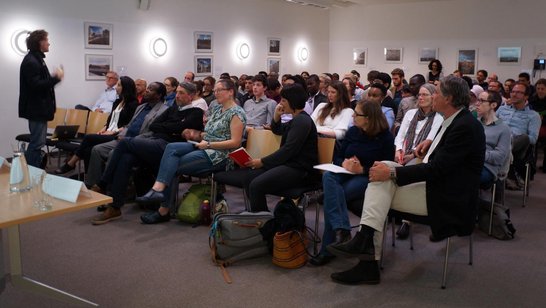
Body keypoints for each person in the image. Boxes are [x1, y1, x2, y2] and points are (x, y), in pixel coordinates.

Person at [327, 76, 485, 285]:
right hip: (438, 186)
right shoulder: (454, 120)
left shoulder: (464, 126)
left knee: (380, 185)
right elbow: (444, 159)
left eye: (436, 93)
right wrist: (430, 145)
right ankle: (364, 243)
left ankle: (367, 255)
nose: (430, 96)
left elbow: (438, 169)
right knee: (383, 167)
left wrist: (392, 174)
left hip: (447, 197)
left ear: (449, 98)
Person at [91, 82, 204, 225]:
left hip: (169, 148)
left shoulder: (196, 112)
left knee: (125, 142)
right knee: (126, 158)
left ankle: (103, 182)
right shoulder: (172, 110)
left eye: (181, 93)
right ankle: (115, 206)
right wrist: (174, 128)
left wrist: (170, 128)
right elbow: (154, 125)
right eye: (177, 92)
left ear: (191, 96)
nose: (177, 96)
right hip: (155, 143)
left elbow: (176, 128)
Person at [136, 79, 246, 224]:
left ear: (231, 92)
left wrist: (209, 144)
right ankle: (158, 189)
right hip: (205, 145)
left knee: (172, 164)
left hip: (220, 155)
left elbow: (235, 142)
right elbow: (210, 133)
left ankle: (163, 209)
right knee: (171, 147)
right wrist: (196, 134)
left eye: (219, 90)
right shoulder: (218, 109)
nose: (215, 93)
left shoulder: (237, 112)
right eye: (215, 91)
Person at [310, 100, 394, 266]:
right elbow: (339, 156)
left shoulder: (385, 137)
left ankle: (328, 248)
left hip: (367, 177)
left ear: (369, 118)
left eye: (357, 114)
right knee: (328, 177)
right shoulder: (353, 132)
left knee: (331, 198)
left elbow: (387, 166)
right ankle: (342, 230)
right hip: (345, 172)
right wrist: (344, 163)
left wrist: (362, 169)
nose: (353, 116)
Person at [242, 84, 318, 212]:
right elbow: (278, 130)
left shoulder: (302, 121)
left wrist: (262, 161)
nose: (280, 104)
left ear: (292, 101)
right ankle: (259, 216)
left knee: (256, 185)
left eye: (283, 100)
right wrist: (276, 116)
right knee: (248, 179)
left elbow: (289, 150)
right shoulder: (296, 119)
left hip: (300, 169)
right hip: (289, 165)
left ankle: (264, 222)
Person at [55, 76, 138, 174]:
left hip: (117, 136)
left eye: (119, 85)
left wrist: (113, 131)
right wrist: (104, 129)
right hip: (108, 132)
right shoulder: (117, 102)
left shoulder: (133, 104)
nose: (116, 87)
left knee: (88, 137)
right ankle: (88, 176)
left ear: (126, 87)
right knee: (87, 150)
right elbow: (110, 120)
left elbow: (129, 125)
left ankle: (71, 164)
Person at [392, 83, 444, 238]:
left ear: (434, 97)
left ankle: (406, 221)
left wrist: (412, 155)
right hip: (403, 153)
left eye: (425, 95)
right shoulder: (410, 114)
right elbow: (400, 136)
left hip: (422, 157)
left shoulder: (439, 118)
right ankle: (394, 207)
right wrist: (398, 151)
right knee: (386, 170)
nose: (421, 98)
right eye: (420, 95)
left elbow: (429, 141)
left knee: (408, 172)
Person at [18, 29, 64, 167]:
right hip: (36, 109)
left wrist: (53, 78)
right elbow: (37, 85)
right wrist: (56, 78)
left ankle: (29, 173)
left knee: (37, 142)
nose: (49, 44)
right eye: (47, 40)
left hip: (38, 109)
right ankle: (31, 174)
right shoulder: (32, 61)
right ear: (40, 42)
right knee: (37, 143)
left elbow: (39, 82)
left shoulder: (36, 59)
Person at [496, 82, 541, 188]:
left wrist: (512, 137)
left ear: (526, 96)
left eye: (519, 92)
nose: (514, 94)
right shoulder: (502, 109)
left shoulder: (533, 115)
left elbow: (533, 139)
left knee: (523, 138)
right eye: (513, 92)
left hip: (518, 146)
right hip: (498, 141)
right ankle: (508, 174)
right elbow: (492, 124)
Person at [476, 91, 511, 185]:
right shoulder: (475, 123)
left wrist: (476, 153)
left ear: (493, 105)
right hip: (470, 162)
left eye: (481, 101)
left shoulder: (504, 129)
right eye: (477, 100)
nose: (477, 103)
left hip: (487, 167)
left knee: (462, 175)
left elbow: (499, 157)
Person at [528, 78, 546, 172]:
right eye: (538, 88)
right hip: (534, 125)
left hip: (545, 125)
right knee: (532, 145)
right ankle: (532, 167)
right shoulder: (532, 99)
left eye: (542, 89)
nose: (540, 91)